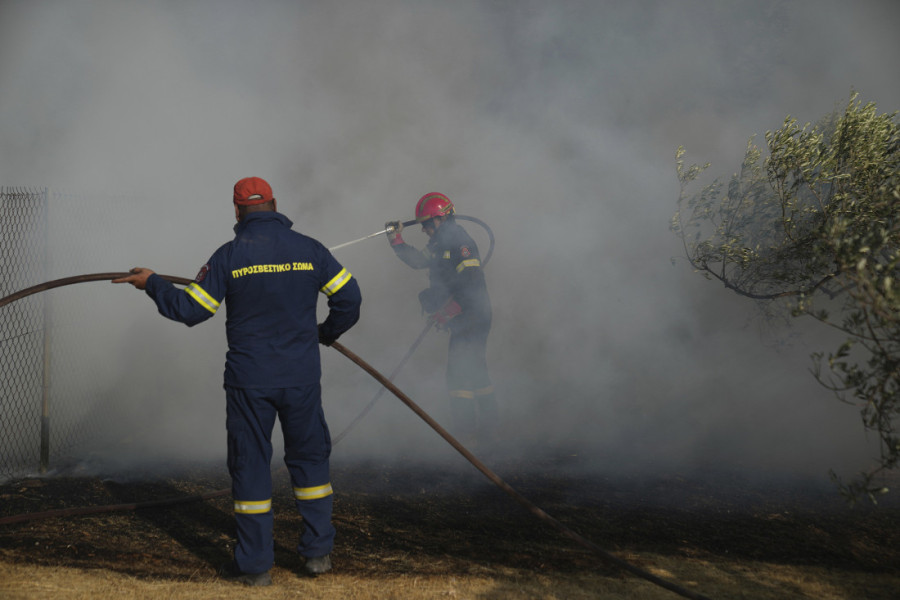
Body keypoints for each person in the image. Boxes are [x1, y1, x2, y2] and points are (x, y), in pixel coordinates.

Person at [112, 176, 361, 586]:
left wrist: (152, 284)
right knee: (310, 460)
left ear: (236, 210)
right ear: (276, 204)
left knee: (250, 467)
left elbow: (191, 310)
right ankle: (318, 554)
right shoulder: (311, 249)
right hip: (300, 378)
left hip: (250, 382)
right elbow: (349, 299)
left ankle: (255, 567)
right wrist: (325, 333)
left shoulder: (229, 255)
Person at [385, 192, 497, 446]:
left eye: (426, 224)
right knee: (477, 371)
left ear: (438, 219)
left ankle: (465, 434)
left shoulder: (460, 241)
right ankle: (490, 430)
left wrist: (450, 309)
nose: (424, 230)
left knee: (458, 374)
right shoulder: (439, 244)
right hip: (466, 317)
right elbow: (418, 261)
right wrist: (396, 239)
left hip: (474, 316)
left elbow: (472, 282)